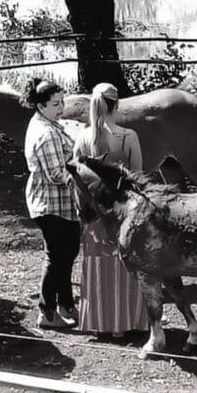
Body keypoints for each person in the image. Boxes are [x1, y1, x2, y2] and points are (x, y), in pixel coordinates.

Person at [72, 83, 149, 337]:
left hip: (94, 212)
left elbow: (75, 176)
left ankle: (100, 321)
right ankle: (123, 323)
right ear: (116, 105)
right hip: (123, 210)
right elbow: (138, 176)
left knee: (96, 264)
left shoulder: (82, 137)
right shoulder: (128, 136)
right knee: (125, 262)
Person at [20, 77, 81, 329]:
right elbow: (56, 173)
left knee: (67, 254)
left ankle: (66, 304)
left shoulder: (47, 124)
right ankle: (46, 311)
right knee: (56, 257)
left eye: (62, 101)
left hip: (59, 204)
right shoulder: (46, 134)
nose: (62, 107)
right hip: (50, 204)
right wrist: (85, 173)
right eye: (56, 103)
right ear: (41, 106)